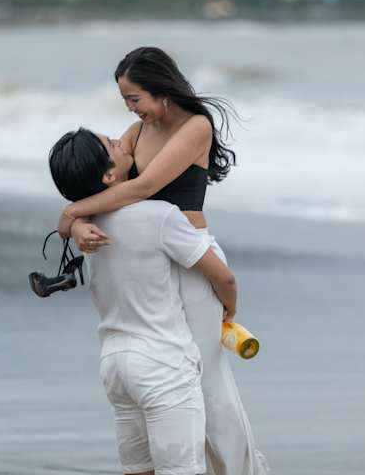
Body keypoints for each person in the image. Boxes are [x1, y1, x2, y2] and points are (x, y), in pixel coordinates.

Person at [57, 47, 268, 475]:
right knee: (174, 375)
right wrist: (76, 223)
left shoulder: (195, 127)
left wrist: (72, 213)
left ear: (162, 90)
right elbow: (105, 181)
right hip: (153, 259)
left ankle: (238, 469)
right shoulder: (136, 133)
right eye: (125, 100)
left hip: (193, 261)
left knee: (207, 377)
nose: (130, 109)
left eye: (134, 98)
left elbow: (141, 187)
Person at [48, 127, 238, 475]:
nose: (123, 142)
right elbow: (222, 276)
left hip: (115, 364)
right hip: (162, 362)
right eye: (113, 145)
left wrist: (73, 224)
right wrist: (230, 306)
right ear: (109, 175)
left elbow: (71, 218)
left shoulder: (88, 228)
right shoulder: (159, 216)